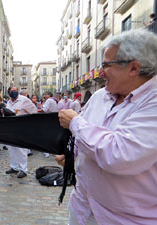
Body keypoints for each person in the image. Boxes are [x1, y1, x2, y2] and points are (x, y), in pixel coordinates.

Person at [57, 29, 157, 225]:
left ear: (133, 68)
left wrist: (75, 122)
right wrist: (71, 152)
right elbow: (84, 133)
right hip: (83, 208)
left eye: (105, 65)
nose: (100, 73)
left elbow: (120, 154)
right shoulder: (100, 96)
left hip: (124, 220)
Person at [5, 86, 37, 178]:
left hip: (21, 128)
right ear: (9, 93)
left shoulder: (24, 100)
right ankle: (14, 167)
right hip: (11, 128)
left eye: (16, 91)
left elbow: (33, 112)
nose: (14, 92)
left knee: (21, 150)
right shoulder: (9, 102)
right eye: (12, 91)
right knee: (12, 149)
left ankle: (24, 169)